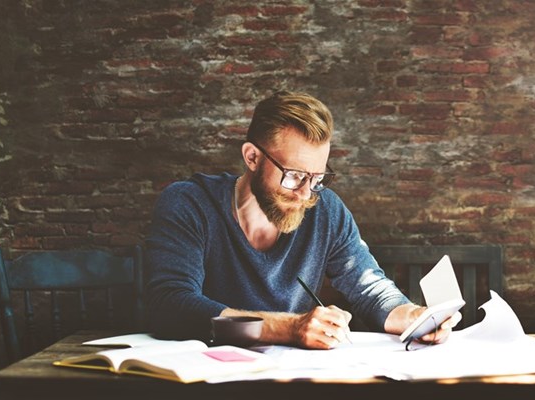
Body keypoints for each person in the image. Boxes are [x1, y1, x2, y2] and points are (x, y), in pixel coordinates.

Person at [145, 90, 457, 349]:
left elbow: (369, 288)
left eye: (317, 178)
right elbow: (171, 306)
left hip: (289, 380)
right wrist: (289, 328)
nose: (306, 194)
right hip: (204, 379)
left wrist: (413, 316)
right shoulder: (189, 203)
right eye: (294, 175)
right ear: (252, 157)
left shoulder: (325, 210)